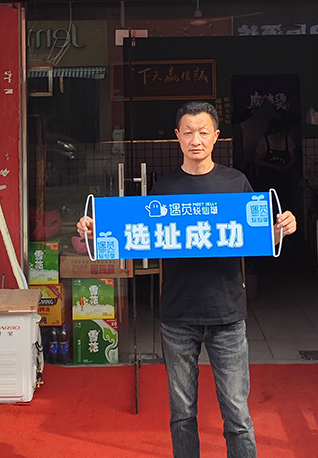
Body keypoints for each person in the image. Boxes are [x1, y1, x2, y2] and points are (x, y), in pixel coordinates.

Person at [77, 101, 296, 458]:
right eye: (189, 132)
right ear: (177, 137)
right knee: (182, 415)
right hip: (177, 316)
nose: (196, 140)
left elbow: (257, 238)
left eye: (203, 132)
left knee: (238, 415)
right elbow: (135, 233)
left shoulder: (236, 183)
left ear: (216, 136)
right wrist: (94, 230)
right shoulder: (163, 189)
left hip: (227, 315)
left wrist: (281, 228)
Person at [253, 117, 296, 210]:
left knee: (284, 204)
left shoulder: (287, 140)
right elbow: (256, 160)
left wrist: (285, 168)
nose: (282, 136)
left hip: (283, 179)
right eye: (280, 133)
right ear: (273, 130)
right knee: (269, 204)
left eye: (284, 133)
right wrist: (273, 166)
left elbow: (293, 158)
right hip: (266, 178)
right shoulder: (264, 141)